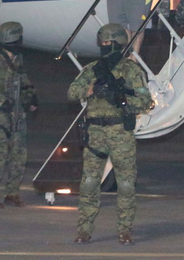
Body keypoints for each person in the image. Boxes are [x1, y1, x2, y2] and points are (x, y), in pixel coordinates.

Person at [67, 23, 152, 245]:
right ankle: (84, 230)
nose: (105, 46)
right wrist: (92, 89)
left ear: (119, 43)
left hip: (120, 132)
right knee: (89, 182)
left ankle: (125, 230)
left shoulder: (131, 71)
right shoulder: (93, 69)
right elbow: (72, 91)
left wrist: (122, 100)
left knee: (126, 183)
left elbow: (145, 101)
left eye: (109, 43)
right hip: (95, 133)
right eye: (103, 42)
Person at [0, 22, 38, 209]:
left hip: (18, 112)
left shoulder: (17, 57)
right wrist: (1, 102)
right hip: (1, 114)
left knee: (19, 154)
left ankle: (12, 193)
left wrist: (31, 96)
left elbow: (22, 78)